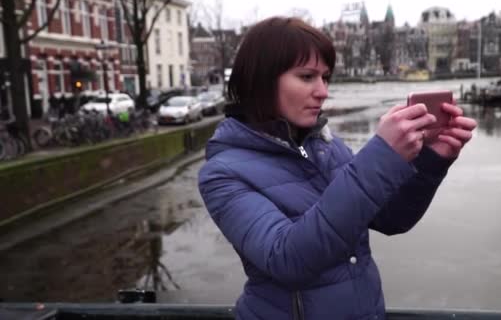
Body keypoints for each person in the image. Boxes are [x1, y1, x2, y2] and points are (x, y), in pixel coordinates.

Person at [197, 17, 477, 320]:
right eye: (307, 77)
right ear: (262, 80)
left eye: (325, 78)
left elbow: (391, 218)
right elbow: (288, 259)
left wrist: (433, 159)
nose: (322, 91)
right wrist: (382, 155)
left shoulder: (328, 147)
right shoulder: (222, 174)